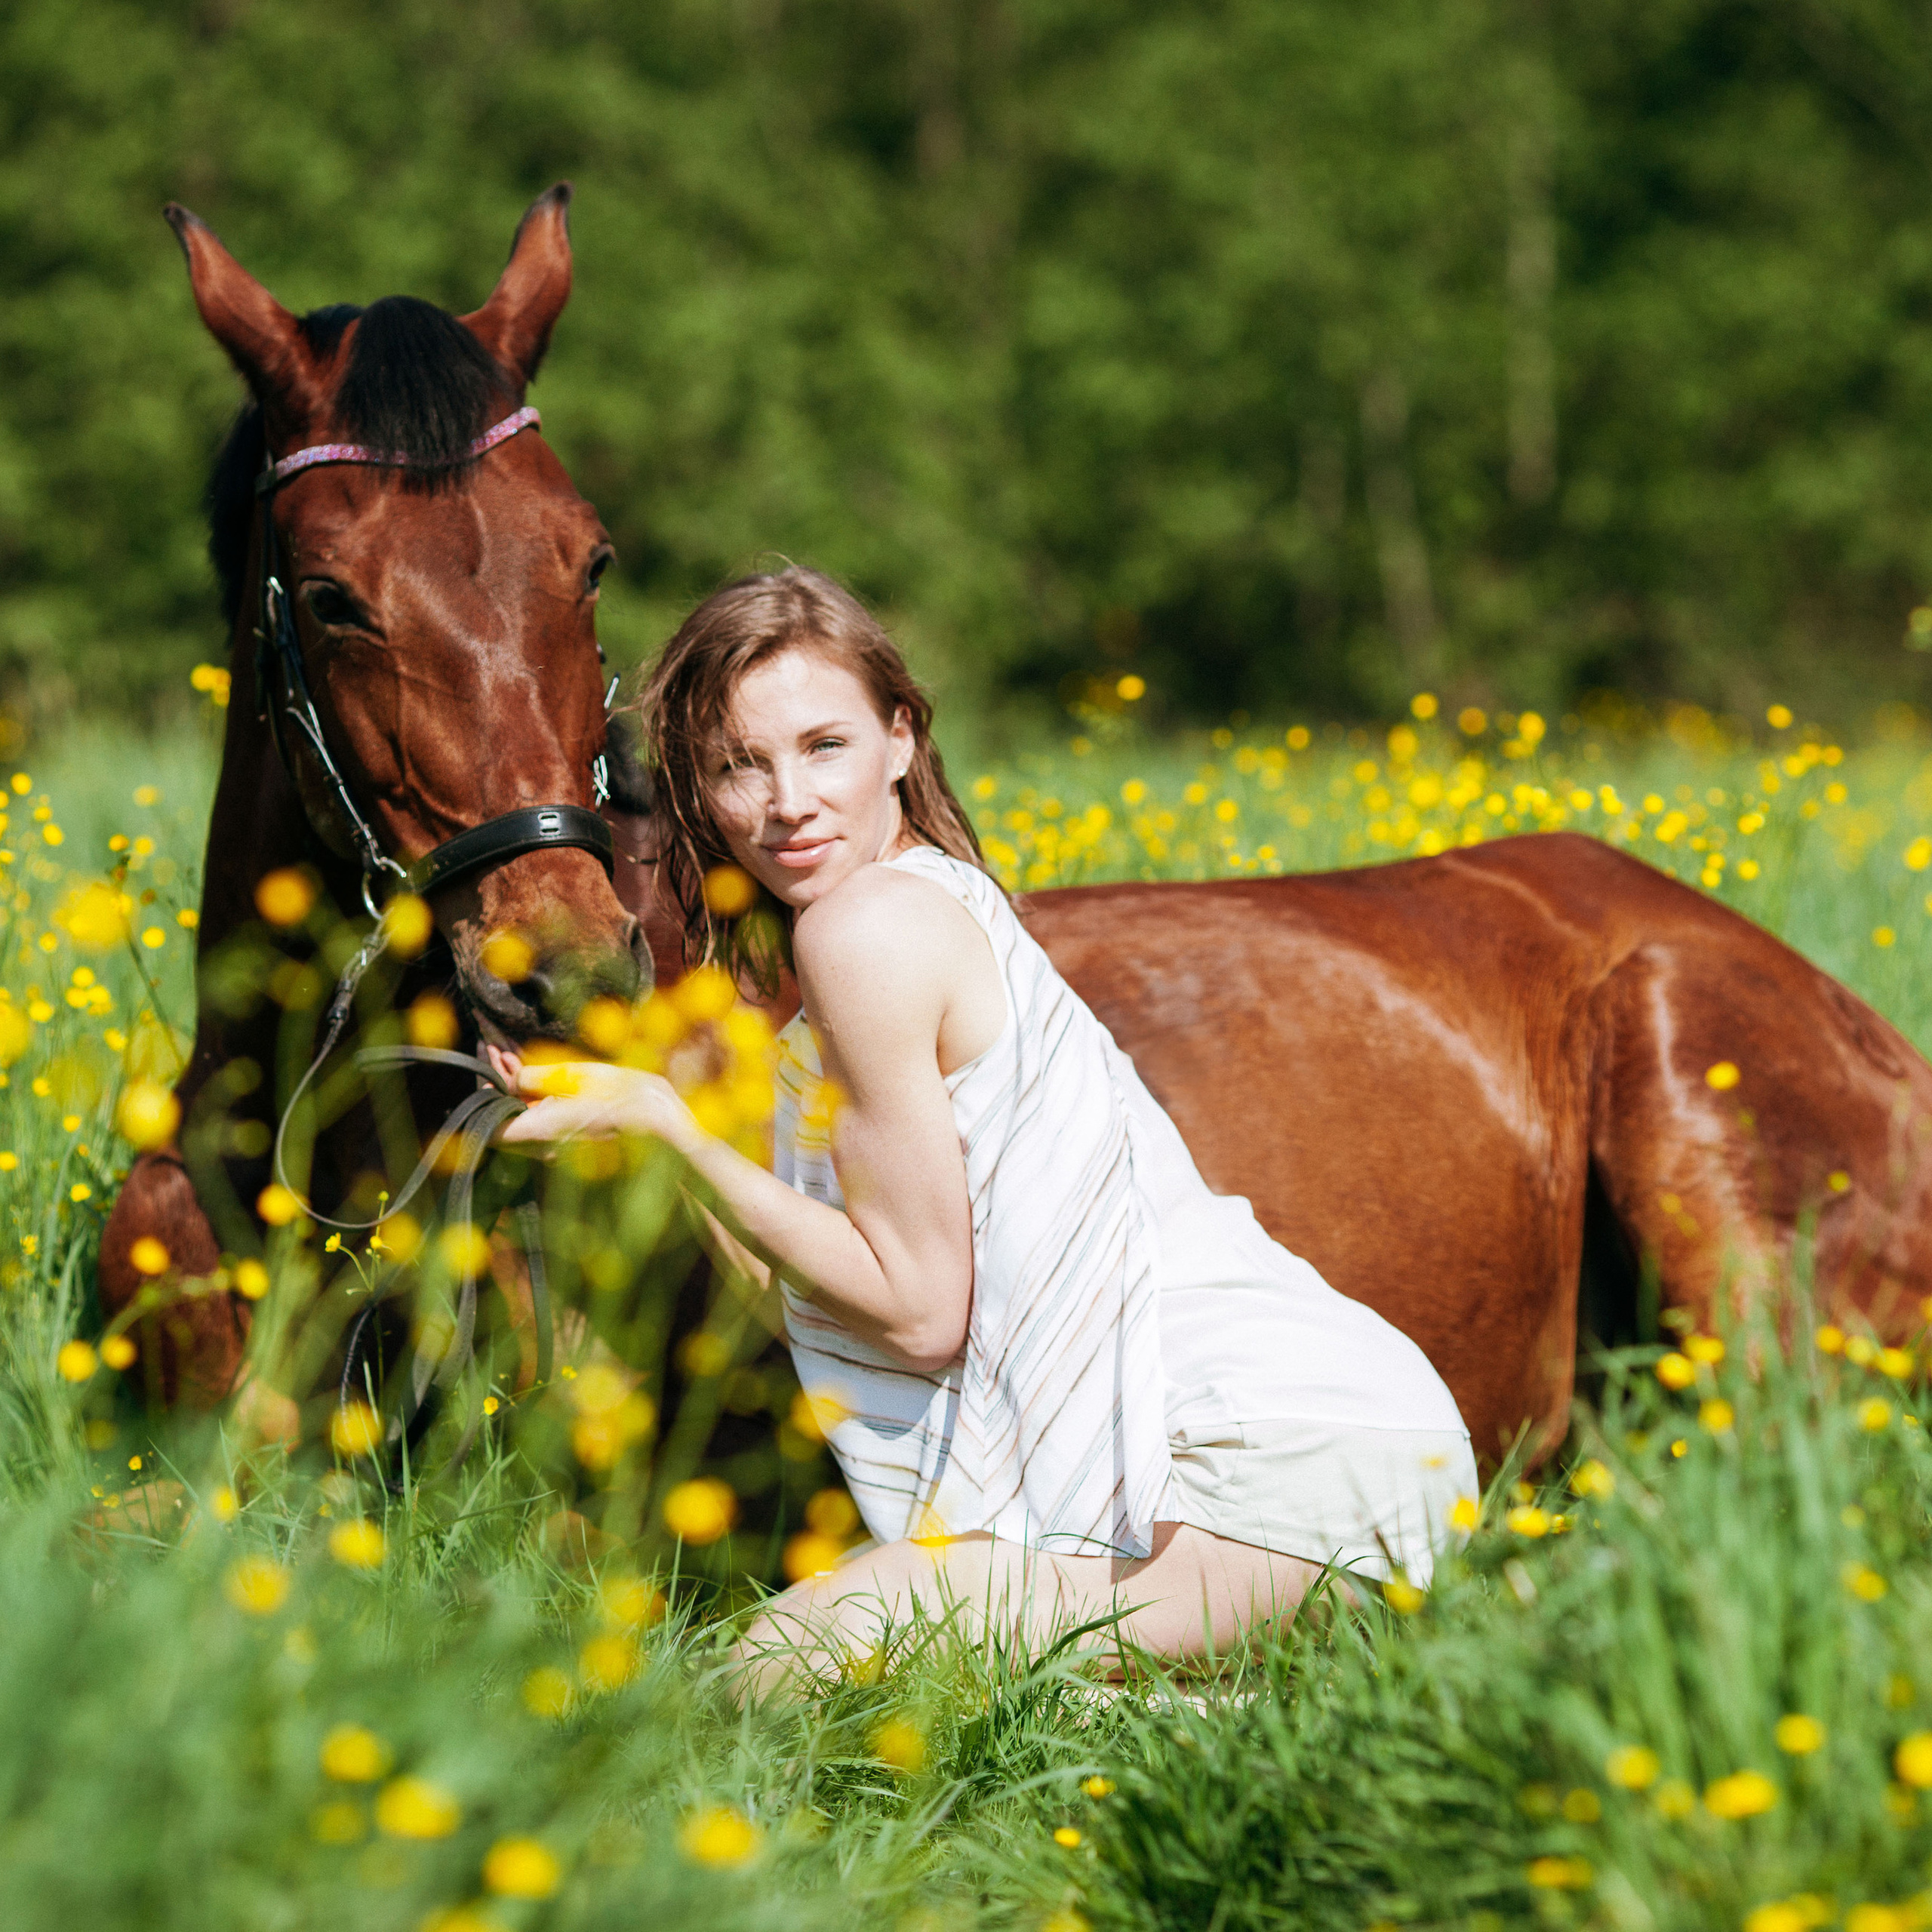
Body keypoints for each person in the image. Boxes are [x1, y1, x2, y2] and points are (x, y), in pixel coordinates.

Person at [497, 566, 1476, 1690]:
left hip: (1277, 1465)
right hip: (1337, 1444)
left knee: (764, 1675)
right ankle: (1262, 1692)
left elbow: (918, 1316)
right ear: (699, 790)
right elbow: (830, 1299)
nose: (789, 802)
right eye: (738, 765)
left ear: (901, 740)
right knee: (887, 1670)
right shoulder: (929, 897)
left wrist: (680, 1133)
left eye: (826, 746)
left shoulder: (865, 930)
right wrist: (649, 1133)